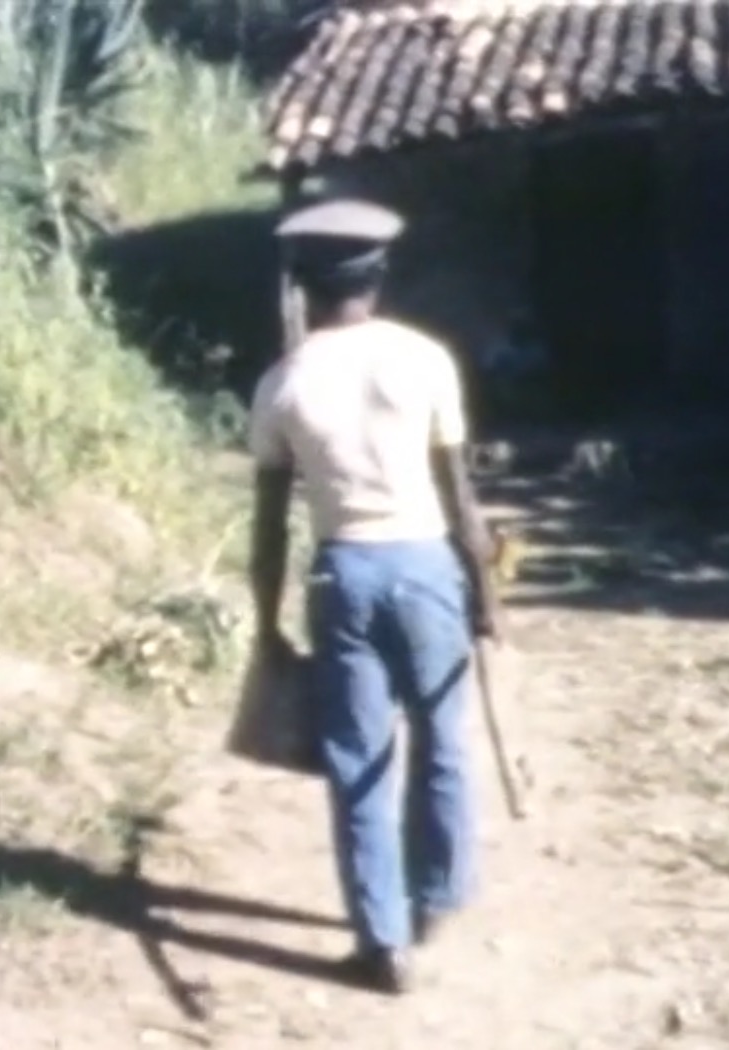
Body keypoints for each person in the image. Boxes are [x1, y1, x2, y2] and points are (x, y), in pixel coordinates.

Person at [246, 198, 501, 995]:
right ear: (380, 275)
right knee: (442, 739)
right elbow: (460, 500)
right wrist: (485, 595)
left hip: (344, 575)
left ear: (300, 285)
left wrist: (265, 623)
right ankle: (436, 897)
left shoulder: (282, 382)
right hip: (426, 567)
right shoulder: (425, 360)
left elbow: (269, 525)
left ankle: (381, 941)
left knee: (357, 758)